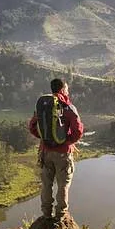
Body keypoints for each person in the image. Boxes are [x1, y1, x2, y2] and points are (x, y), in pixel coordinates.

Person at [28, 78, 84, 219]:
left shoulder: (43, 105)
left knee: (46, 184)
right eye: (67, 88)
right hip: (63, 154)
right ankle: (61, 214)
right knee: (63, 184)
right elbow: (78, 131)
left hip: (45, 152)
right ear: (62, 89)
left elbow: (32, 127)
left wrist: (44, 139)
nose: (68, 91)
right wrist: (67, 142)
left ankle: (46, 214)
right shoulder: (68, 107)